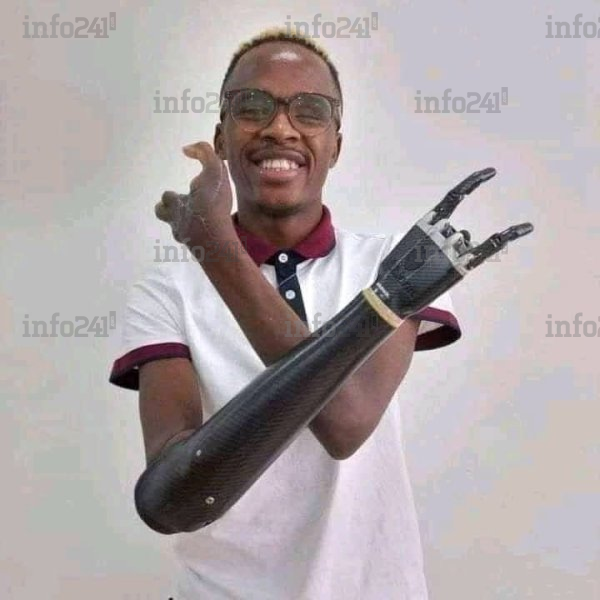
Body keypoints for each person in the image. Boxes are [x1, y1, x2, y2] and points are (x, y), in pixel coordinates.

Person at [109, 28, 462, 600]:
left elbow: (344, 426)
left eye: (310, 110)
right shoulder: (167, 293)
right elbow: (174, 500)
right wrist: (214, 250)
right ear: (221, 138)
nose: (280, 127)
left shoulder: (392, 266)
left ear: (335, 146)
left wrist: (215, 249)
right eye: (253, 106)